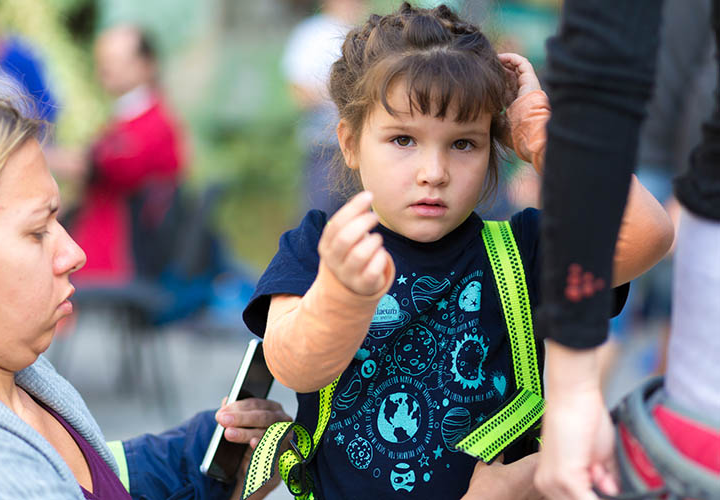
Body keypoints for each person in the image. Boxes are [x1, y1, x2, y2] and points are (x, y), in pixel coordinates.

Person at [241, 3, 673, 499]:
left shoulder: (520, 252)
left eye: (464, 144)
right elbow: (293, 363)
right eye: (403, 139)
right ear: (351, 143)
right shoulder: (323, 247)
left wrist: (542, 136)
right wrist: (342, 295)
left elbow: (648, 234)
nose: (434, 171)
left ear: (495, 146)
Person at [0, 84, 289, 499]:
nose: (73, 253)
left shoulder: (16, 373)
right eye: (36, 232)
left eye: (59, 220)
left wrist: (205, 459)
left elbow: (104, 475)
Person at [533, 0, 720, 499]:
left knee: (632, 321)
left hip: (642, 163)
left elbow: (600, 66)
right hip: (658, 167)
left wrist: (572, 397)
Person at [47, 24, 186, 284]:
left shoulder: (153, 125)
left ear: (147, 65)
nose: (106, 67)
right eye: (103, 59)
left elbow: (99, 165)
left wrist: (37, 155)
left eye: (117, 60)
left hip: (118, 261)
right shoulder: (128, 119)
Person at [281, 0, 365, 217]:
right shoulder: (311, 33)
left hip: (364, 143)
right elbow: (298, 91)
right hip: (325, 146)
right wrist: (342, 94)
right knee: (320, 216)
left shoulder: (365, 32)